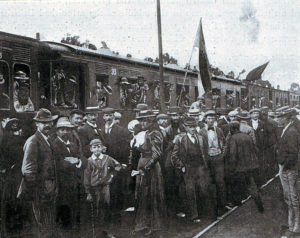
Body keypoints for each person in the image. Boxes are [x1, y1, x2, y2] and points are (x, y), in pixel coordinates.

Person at [19, 108, 58, 237]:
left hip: (49, 189)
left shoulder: (48, 139)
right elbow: (28, 170)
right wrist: (37, 190)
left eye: (50, 122)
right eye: (43, 122)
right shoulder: (33, 141)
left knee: (48, 223)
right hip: (39, 190)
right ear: (37, 123)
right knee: (41, 224)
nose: (47, 125)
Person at [172, 116, 215, 222]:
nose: (192, 129)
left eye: (194, 127)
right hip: (188, 168)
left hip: (200, 167)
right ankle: (194, 216)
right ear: (186, 128)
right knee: (190, 192)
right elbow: (174, 156)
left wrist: (205, 165)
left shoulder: (200, 138)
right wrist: (181, 166)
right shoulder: (180, 139)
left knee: (203, 189)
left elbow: (205, 152)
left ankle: (205, 213)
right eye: (190, 127)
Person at [132, 109, 166, 236]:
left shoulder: (155, 133)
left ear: (150, 121)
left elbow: (157, 153)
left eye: (145, 120)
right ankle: (143, 224)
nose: (143, 123)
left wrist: (146, 167)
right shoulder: (143, 133)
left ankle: (153, 225)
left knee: (151, 194)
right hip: (142, 164)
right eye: (141, 120)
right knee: (142, 194)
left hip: (150, 167)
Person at [51, 117, 87, 233]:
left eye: (68, 129)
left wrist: (77, 161)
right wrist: (74, 162)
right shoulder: (53, 145)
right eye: (62, 130)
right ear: (57, 131)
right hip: (62, 183)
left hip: (76, 183)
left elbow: (84, 160)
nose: (65, 132)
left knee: (76, 209)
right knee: (64, 211)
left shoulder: (73, 145)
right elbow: (60, 164)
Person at [227, 121, 264, 212]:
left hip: (239, 167)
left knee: (236, 185)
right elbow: (254, 149)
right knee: (251, 184)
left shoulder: (233, 138)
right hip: (250, 166)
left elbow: (233, 154)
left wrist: (231, 168)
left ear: (233, 129)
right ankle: (258, 202)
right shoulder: (247, 136)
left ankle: (238, 202)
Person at [84, 139, 121, 225]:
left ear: (102, 148)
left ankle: (106, 226)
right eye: (94, 147)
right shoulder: (89, 161)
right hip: (94, 187)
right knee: (96, 206)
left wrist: (112, 175)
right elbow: (86, 177)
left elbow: (118, 165)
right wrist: (88, 192)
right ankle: (97, 227)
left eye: (99, 147)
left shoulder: (107, 158)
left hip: (105, 186)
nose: (97, 149)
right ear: (91, 149)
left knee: (106, 204)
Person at [276, 108, 300, 236]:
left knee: (292, 197)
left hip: (288, 169)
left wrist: (285, 166)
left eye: (280, 116)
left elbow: (293, 153)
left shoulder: (290, 132)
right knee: (290, 197)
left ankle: (296, 225)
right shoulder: (288, 129)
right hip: (287, 167)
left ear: (287, 118)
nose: (277, 119)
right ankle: (292, 223)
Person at [1, 118, 26, 232]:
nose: (16, 132)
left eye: (17, 129)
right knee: (12, 197)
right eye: (13, 130)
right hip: (12, 173)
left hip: (18, 172)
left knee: (16, 197)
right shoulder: (6, 142)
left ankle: (16, 224)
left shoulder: (22, 141)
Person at [200, 110, 226, 216]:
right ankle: (211, 207)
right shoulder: (201, 131)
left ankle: (222, 205)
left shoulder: (219, 130)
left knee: (220, 182)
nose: (211, 120)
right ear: (205, 120)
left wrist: (222, 154)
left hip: (218, 158)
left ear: (215, 119)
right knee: (208, 183)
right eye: (209, 118)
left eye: (212, 118)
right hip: (207, 159)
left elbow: (224, 143)